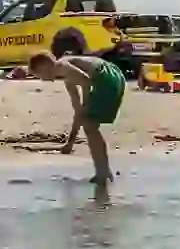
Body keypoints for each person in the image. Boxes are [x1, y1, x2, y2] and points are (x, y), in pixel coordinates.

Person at [28, 52, 126, 186]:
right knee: (90, 126)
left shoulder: (62, 66)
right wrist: (70, 142)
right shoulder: (66, 78)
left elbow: (86, 80)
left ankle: (103, 172)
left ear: (44, 67)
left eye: (39, 75)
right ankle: (103, 171)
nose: (41, 80)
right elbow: (78, 111)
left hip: (105, 76)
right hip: (114, 74)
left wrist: (86, 103)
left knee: (90, 126)